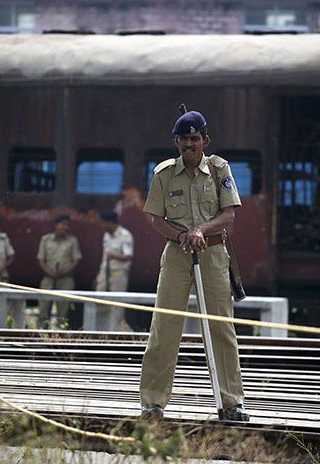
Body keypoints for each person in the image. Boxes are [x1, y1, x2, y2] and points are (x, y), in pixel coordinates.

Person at [139, 106, 249, 421]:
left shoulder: (219, 169)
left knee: (221, 327)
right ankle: (152, 403)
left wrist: (200, 230)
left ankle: (231, 402)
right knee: (164, 326)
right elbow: (155, 219)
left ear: (205, 140)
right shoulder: (163, 173)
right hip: (176, 256)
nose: (190, 145)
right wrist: (183, 236)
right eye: (184, 140)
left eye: (195, 139)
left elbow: (229, 215)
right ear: (176, 142)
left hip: (213, 254)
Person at [36, 214, 82, 327]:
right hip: (48, 278)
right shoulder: (46, 239)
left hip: (65, 279)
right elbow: (41, 259)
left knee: (63, 310)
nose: (65, 227)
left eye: (67, 225)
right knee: (44, 307)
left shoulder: (72, 241)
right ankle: (41, 333)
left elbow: (76, 260)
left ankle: (61, 334)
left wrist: (64, 272)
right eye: (63, 224)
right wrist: (49, 272)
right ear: (56, 225)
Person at [94, 210, 133, 331]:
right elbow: (105, 257)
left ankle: (114, 333)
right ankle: (99, 333)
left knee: (116, 306)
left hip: (118, 275)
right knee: (99, 303)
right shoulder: (107, 235)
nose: (102, 226)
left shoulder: (124, 235)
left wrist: (114, 256)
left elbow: (129, 256)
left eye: (103, 223)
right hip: (104, 273)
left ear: (110, 222)